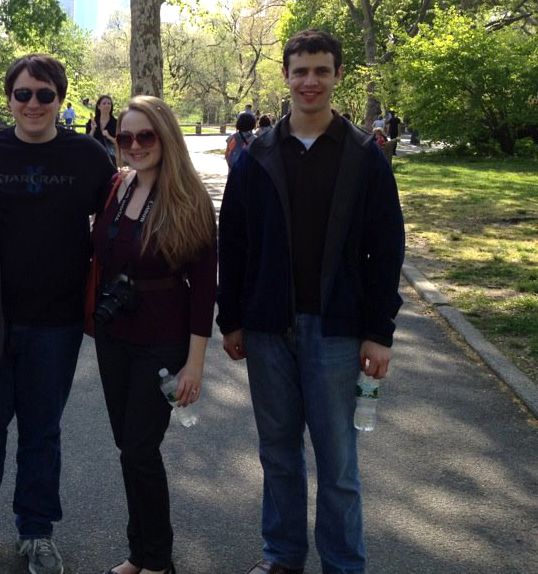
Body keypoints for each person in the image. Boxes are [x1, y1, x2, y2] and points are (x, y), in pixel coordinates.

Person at [217, 29, 405, 574]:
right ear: (285, 76)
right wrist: (232, 319)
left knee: (338, 461)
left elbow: (386, 247)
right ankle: (282, 557)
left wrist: (379, 331)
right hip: (269, 326)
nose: (310, 81)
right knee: (277, 454)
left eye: (321, 71)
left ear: (337, 76)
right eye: (300, 70)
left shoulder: (364, 155)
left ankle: (344, 563)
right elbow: (235, 241)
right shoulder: (256, 156)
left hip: (338, 329)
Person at [0, 54, 116, 574]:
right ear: (8, 98)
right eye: (23, 93)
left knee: (42, 431)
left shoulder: (88, 156)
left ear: (60, 99)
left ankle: (36, 532)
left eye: (44, 94)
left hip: (56, 323)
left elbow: (115, 230)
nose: (33, 103)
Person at [92, 96, 217, 574]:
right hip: (114, 337)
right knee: (129, 448)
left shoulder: (189, 199)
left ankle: (159, 560)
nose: (135, 145)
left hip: (162, 343)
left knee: (142, 449)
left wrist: (195, 364)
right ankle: (137, 553)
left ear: (165, 136)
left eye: (146, 136)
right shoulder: (117, 187)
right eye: (125, 137)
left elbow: (205, 290)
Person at [89, 95, 118, 159]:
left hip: (111, 157)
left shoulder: (116, 123)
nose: (107, 105)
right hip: (94, 155)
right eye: (104, 103)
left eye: (109, 103)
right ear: (99, 106)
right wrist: (92, 130)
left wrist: (108, 136)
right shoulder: (92, 121)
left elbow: (119, 143)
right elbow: (87, 141)